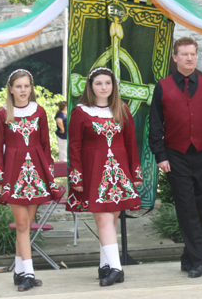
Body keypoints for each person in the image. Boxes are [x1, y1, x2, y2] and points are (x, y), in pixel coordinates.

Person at [149, 37, 202, 278]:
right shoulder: (163, 86)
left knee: (201, 207)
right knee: (186, 207)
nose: (189, 58)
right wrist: (160, 154)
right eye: (184, 54)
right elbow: (155, 124)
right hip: (176, 157)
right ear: (175, 58)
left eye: (193, 54)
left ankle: (188, 258)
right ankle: (201, 261)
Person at [67, 67, 143, 286]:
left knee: (111, 220)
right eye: (99, 83)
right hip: (93, 170)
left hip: (119, 171)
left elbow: (131, 143)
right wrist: (77, 178)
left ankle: (105, 265)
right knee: (103, 218)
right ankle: (117, 268)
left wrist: (135, 173)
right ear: (91, 86)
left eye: (107, 83)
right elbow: (75, 147)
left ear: (113, 86)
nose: (103, 87)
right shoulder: (80, 112)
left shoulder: (122, 109)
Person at [0, 69, 60, 291]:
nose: (23, 90)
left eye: (26, 86)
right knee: (21, 224)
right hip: (13, 172)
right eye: (18, 86)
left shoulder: (39, 111)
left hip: (37, 171)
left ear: (31, 88)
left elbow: (45, 144)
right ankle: (29, 273)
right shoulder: (2, 114)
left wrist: (48, 174)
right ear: (10, 89)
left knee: (27, 225)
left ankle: (19, 271)